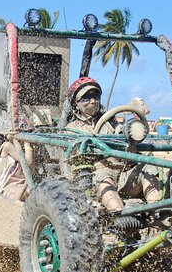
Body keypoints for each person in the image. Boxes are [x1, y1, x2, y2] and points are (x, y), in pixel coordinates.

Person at [66, 77, 160, 212]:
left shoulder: (111, 124)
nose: (92, 101)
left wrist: (129, 140)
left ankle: (156, 211)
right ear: (76, 104)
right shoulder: (71, 129)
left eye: (95, 96)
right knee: (103, 177)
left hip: (123, 176)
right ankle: (119, 215)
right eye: (86, 98)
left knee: (149, 166)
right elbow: (75, 161)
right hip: (96, 178)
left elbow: (127, 142)